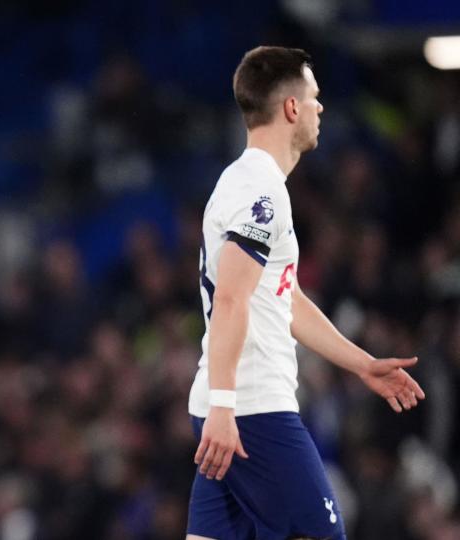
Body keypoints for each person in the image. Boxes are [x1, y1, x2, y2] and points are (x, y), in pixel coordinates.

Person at [187, 46, 426, 540]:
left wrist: (363, 364)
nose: (321, 108)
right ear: (291, 108)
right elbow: (231, 298)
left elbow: (284, 298)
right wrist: (227, 408)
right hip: (252, 411)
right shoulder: (262, 192)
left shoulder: (246, 182)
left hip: (227, 406)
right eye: (314, 97)